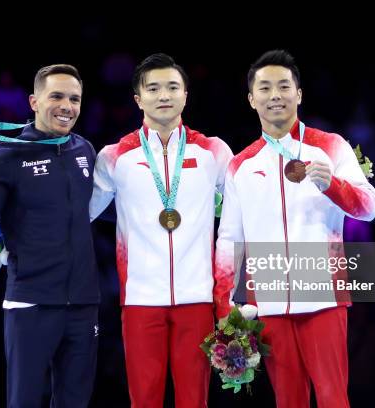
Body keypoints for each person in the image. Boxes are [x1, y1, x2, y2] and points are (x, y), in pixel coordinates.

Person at [215, 50, 375, 408]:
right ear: (251, 98)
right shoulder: (240, 165)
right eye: (265, 87)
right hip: (270, 299)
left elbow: (370, 208)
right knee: (288, 402)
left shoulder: (330, 146)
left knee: (333, 398)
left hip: (323, 295)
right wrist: (226, 305)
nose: (275, 95)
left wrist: (334, 185)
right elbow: (230, 239)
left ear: (299, 94)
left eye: (284, 86)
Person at [90, 53, 233, 408]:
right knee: (144, 400)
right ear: (138, 98)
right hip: (139, 300)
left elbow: (245, 213)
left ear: (186, 95)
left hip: (197, 299)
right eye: (153, 88)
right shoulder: (113, 157)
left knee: (194, 401)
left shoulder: (213, 151)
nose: (163, 95)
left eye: (172, 87)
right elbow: (79, 215)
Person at [0, 64, 98, 408]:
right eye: (57, 96)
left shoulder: (85, 150)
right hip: (30, 302)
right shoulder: (6, 156)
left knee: (75, 402)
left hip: (82, 303)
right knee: (23, 402)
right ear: (34, 101)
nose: (67, 105)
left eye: (74, 99)